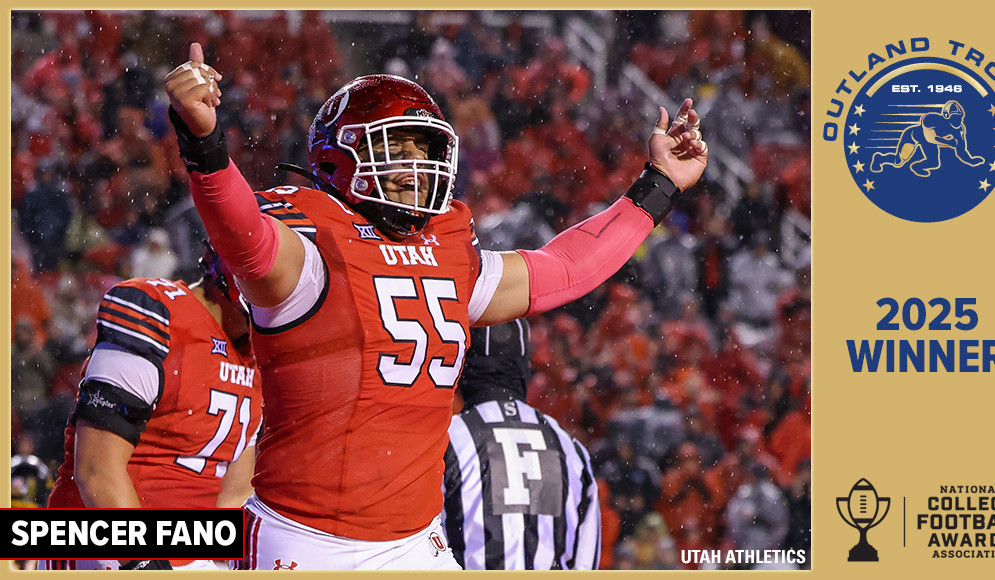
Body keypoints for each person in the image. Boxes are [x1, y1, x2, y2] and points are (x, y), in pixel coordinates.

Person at [164, 41, 707, 570]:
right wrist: (205, 145)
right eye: (395, 148)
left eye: (423, 150)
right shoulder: (310, 244)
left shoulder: (447, 251)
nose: (414, 166)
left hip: (415, 543)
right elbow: (242, 233)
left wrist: (657, 187)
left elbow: (565, 268)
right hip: (307, 540)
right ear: (338, 156)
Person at [42, 245, 263, 571]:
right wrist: (144, 562)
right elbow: (96, 470)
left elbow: (234, 494)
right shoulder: (158, 313)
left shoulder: (260, 357)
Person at [442, 320, 600, 569]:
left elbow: (416, 547)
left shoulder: (446, 440)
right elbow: (585, 563)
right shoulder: (570, 448)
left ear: (465, 368)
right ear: (523, 368)